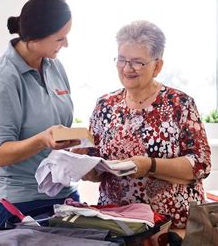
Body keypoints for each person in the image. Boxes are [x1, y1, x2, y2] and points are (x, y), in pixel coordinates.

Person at [83, 20, 211, 228]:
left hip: (171, 226)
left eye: (137, 62)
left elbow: (200, 165)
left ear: (157, 66)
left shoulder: (180, 103)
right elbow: (96, 172)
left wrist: (149, 165)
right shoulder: (104, 105)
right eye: (121, 60)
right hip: (117, 224)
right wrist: (82, 164)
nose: (127, 68)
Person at [0, 0, 81, 227]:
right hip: (23, 200)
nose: (65, 44)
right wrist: (42, 140)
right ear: (36, 37)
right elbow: (0, 153)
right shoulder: (4, 79)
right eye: (60, 38)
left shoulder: (54, 66)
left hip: (63, 193)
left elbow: (60, 126)